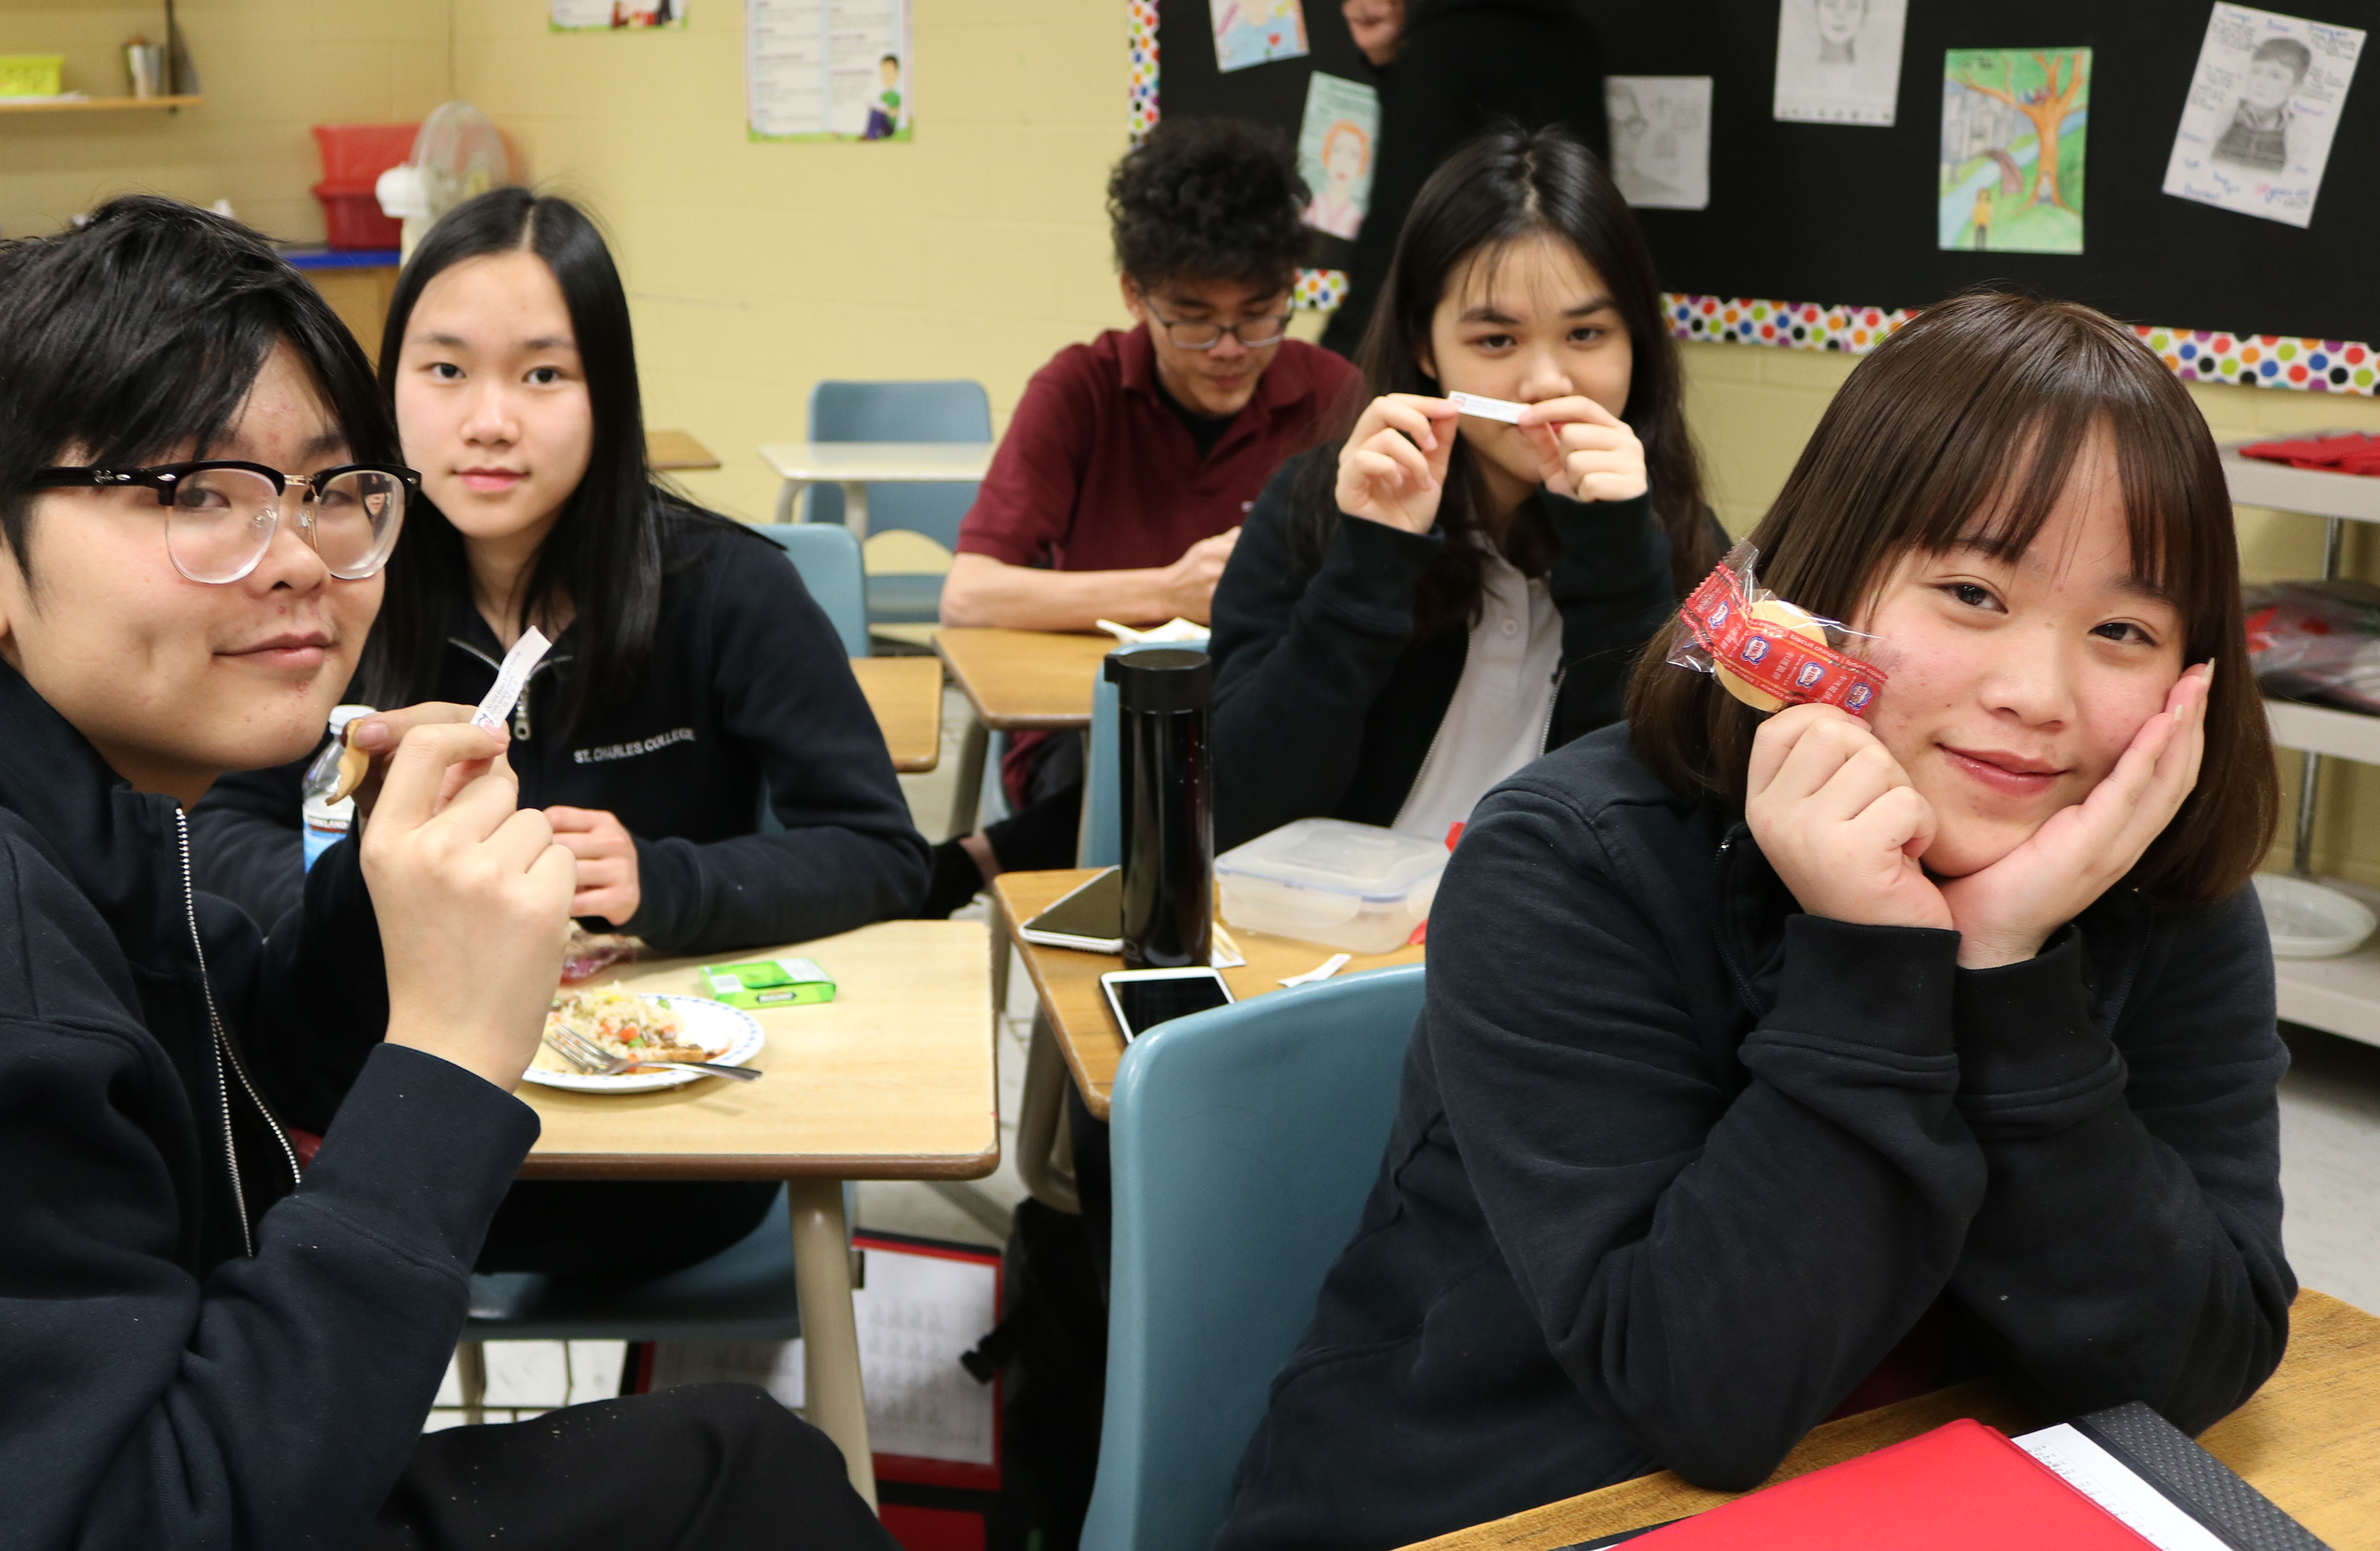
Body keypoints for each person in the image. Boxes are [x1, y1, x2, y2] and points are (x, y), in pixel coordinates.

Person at [0, 196, 892, 1548]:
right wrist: (454, 1055)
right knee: (741, 1474)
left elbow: (223, 1029)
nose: (297, 561)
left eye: (331, 490)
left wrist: (375, 900)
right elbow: (140, 1514)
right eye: (196, 493)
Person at [1216, 291, 2289, 1551]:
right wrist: (1879, 952)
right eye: (1972, 593)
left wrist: (2006, 963)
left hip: (1930, 1503)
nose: (2036, 696)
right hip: (1507, 1504)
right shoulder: (1570, 863)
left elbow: (2197, 1362)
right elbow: (1704, 1397)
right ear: (1828, 590)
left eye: (2123, 630)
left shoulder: (2156, 888)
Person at [196, 187, 927, 1282]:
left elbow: (880, 852)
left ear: (608, 393)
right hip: (402, 1138)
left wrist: (660, 883)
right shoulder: (338, 585)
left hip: (671, 1156)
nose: (490, 420)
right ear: (387, 390)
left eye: (543, 373)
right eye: (445, 371)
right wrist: (371, 895)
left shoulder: (728, 590)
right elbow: (212, 827)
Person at [1208, 126, 1717, 854]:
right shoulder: (1317, 505)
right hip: (1330, 943)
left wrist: (1617, 558)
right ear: (1425, 346)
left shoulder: (1680, 540)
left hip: (1545, 947)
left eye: (1587, 335)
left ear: (1636, 339)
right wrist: (1372, 560)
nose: (1547, 383)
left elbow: (1662, 841)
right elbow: (1236, 809)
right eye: (1496, 342)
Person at [926, 117, 1357, 908]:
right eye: (1193, 319)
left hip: (1271, 718)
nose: (1229, 348)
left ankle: (986, 859)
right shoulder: (1079, 391)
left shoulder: (1335, 397)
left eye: (1260, 314)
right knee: (1153, 781)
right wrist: (1167, 591)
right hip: (1092, 740)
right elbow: (971, 594)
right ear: (1135, 294)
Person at [1324, 0, 1608, 359]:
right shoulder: (1574, 40)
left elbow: (1401, 224)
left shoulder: (1443, 50)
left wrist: (1342, 355)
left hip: (1475, 343)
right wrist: (1395, 64)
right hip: (1569, 331)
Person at [2212, 36, 2312, 173]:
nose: (2260, 82)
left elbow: (2295, 175)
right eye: (2256, 72)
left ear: (2296, 86)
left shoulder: (2295, 130)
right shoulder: (2228, 112)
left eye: (2275, 76)